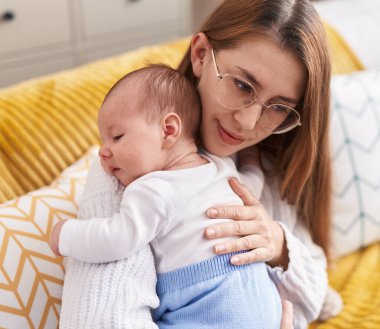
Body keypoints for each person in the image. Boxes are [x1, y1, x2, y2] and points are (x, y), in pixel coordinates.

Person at [56, 0, 342, 327]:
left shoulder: (262, 163)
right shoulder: (125, 172)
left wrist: (278, 244)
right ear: (201, 55)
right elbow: (100, 320)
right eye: (242, 85)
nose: (248, 123)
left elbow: (314, 293)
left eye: (278, 107)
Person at [50, 64, 283, 328]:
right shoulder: (221, 167)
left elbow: (118, 238)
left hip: (205, 303)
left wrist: (66, 235)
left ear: (169, 130)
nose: (103, 152)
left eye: (116, 136)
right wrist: (252, 159)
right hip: (260, 298)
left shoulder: (151, 189)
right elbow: (252, 186)